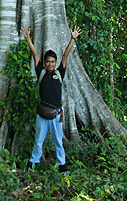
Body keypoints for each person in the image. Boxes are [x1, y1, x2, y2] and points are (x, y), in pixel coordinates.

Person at [20, 24, 82, 175]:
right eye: (48, 61)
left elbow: (65, 56)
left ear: (55, 63)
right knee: (38, 141)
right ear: (45, 62)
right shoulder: (41, 72)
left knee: (58, 141)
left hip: (56, 114)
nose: (50, 64)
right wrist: (28, 39)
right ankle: (33, 163)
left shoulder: (59, 73)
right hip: (42, 114)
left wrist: (72, 39)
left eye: (52, 62)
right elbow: (35, 55)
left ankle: (61, 165)